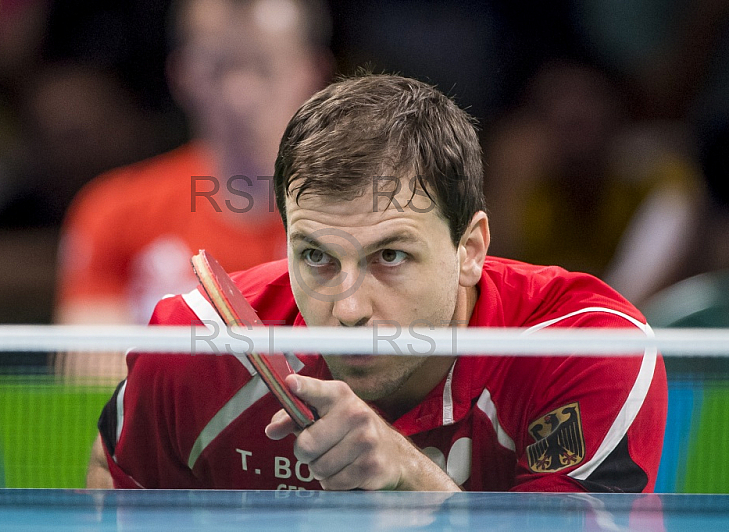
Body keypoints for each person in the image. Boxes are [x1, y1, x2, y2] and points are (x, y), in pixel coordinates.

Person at [87, 74, 667, 492]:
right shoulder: (203, 345)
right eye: (316, 256)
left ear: (470, 250)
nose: (349, 308)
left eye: (389, 255)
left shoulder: (585, 348)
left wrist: (410, 479)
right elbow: (115, 484)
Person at [55, 0, 332, 327]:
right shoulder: (113, 212)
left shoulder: (359, 217)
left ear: (312, 72)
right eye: (218, 68)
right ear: (180, 74)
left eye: (263, 66)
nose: (239, 95)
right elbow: (94, 372)